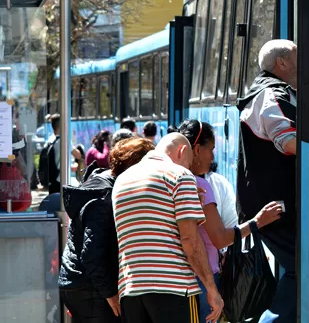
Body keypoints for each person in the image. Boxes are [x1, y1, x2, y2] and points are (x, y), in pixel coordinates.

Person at [175, 119, 282, 323]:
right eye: (211, 149)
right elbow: (220, 238)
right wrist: (257, 222)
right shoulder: (199, 185)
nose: (213, 156)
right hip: (200, 280)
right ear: (196, 150)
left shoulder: (171, 181)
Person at [112, 133, 223, 323]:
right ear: (182, 151)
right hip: (175, 290)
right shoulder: (180, 175)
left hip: (131, 291)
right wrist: (211, 289)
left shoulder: (122, 181)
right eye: (189, 164)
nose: (189, 169)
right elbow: (190, 241)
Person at [59, 138, 155, 323]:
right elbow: (91, 252)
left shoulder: (103, 184)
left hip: (81, 282)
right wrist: (110, 293)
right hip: (90, 287)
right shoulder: (104, 196)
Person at [237, 39, 297, 323]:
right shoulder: (273, 94)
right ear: (282, 63)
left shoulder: (260, 92)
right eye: (298, 55)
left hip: (269, 203)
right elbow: (287, 142)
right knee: (301, 267)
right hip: (277, 206)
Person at [39, 113, 62, 193]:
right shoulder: (63, 141)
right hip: (60, 180)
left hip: (51, 180)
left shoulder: (50, 140)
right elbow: (78, 155)